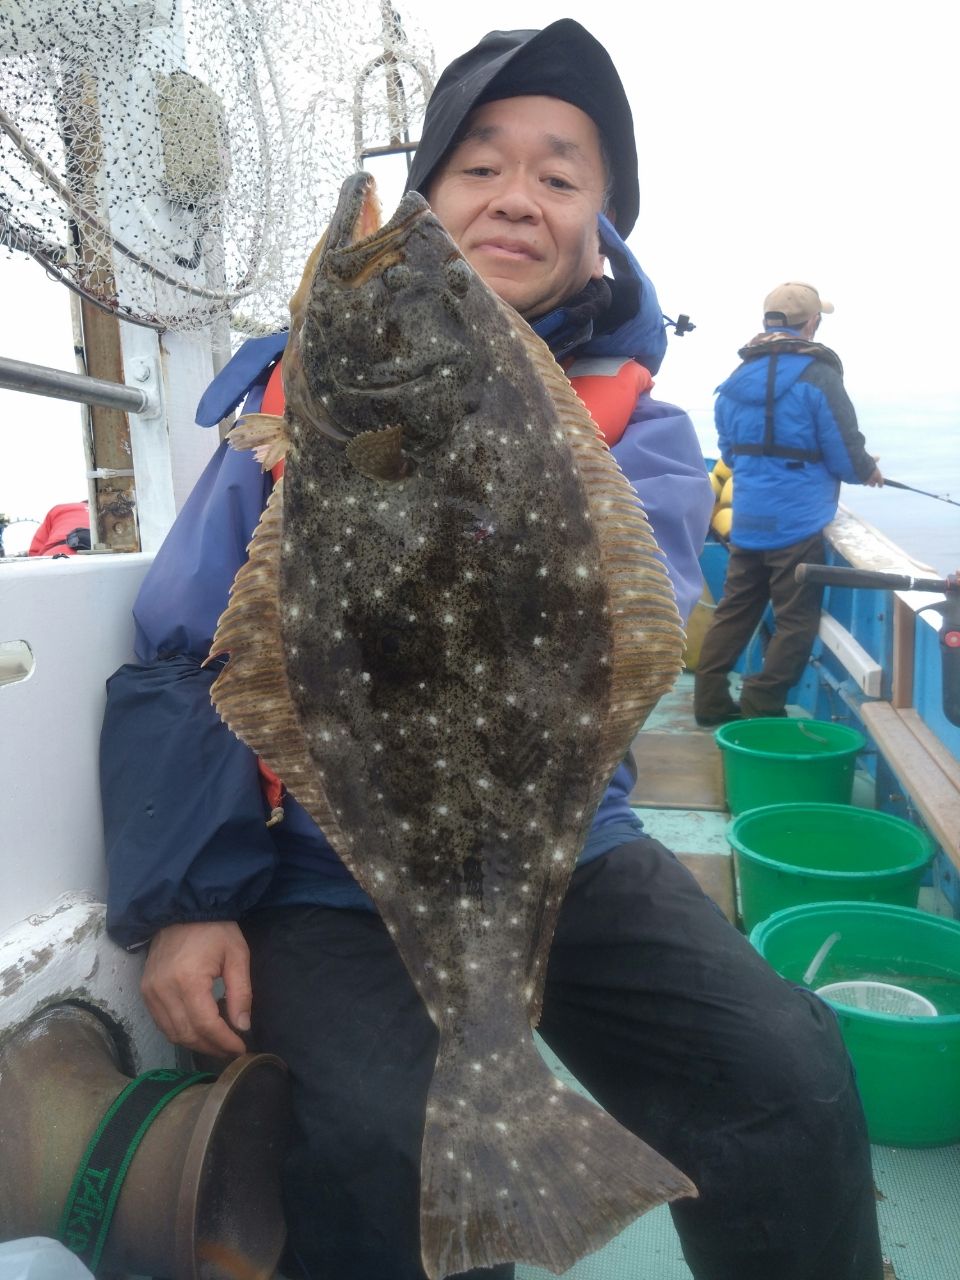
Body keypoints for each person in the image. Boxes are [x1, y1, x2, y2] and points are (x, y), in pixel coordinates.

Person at [100, 24, 883, 1280]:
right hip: (325, 863)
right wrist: (189, 902)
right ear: (430, 201)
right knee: (383, 1147)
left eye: (560, 174)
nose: (517, 195)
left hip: (557, 838)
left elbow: (623, 629)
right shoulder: (293, 419)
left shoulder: (647, 435)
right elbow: (189, 647)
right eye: (477, 167)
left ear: (599, 229)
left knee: (786, 1071)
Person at [693, 282, 883, 727]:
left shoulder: (736, 379)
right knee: (796, 620)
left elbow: (730, 452)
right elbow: (845, 453)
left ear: (768, 321)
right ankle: (761, 704)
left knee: (735, 611)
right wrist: (867, 470)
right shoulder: (819, 377)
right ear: (812, 323)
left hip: (748, 519)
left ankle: (710, 701)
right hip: (798, 521)